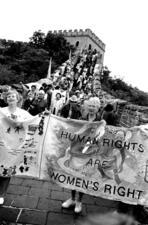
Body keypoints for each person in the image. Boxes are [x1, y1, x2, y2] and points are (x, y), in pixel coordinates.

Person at [62, 97, 102, 213]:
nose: (91, 108)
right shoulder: (81, 118)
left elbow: (105, 137)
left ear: (98, 108)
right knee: (73, 176)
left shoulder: (101, 121)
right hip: (77, 151)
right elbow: (75, 132)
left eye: (94, 106)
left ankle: (79, 202)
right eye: (90, 106)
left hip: (90, 153)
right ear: (86, 106)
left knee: (84, 178)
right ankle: (72, 199)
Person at [0, 89, 33, 205]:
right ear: (6, 99)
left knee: (7, 168)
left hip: (14, 146)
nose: (10, 98)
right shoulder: (1, 111)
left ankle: (1, 194)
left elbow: (33, 121)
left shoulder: (23, 113)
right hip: (1, 144)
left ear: (18, 98)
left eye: (13, 96)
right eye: (8, 96)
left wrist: (46, 115)